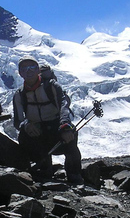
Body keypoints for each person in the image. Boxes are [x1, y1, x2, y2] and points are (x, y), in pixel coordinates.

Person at [12, 56, 83, 184]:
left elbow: (64, 105)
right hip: (37, 132)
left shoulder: (51, 86)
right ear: (20, 73)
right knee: (23, 135)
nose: (28, 71)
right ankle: (44, 170)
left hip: (57, 128)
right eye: (24, 68)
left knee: (71, 134)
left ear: (38, 70)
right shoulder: (19, 95)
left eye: (32, 67)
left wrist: (65, 125)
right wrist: (26, 125)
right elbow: (18, 121)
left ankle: (74, 174)